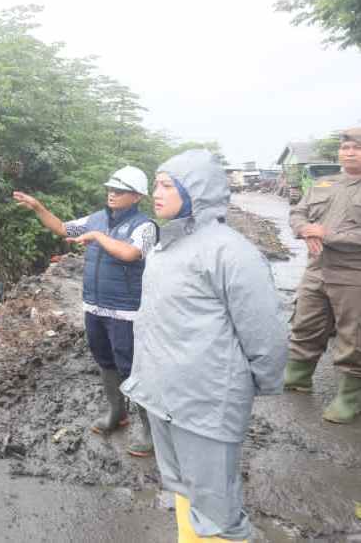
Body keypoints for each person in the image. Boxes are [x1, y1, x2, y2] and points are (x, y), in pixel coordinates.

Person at [122, 149, 287, 542]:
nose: (156, 193)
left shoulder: (230, 251)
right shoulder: (165, 245)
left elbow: (264, 330)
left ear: (195, 190)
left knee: (217, 507)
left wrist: (255, 384)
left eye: (167, 185)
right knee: (180, 484)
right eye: (156, 184)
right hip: (161, 393)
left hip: (206, 400)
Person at [13, 166, 157, 457]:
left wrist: (97, 237)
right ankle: (117, 412)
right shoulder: (96, 219)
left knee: (132, 366)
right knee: (104, 360)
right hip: (94, 306)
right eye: (110, 188)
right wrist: (38, 207)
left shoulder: (145, 226)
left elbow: (130, 253)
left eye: (120, 190)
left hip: (126, 311)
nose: (112, 194)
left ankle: (150, 429)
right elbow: (63, 228)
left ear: (137, 196)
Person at [285, 127, 361, 423]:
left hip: (353, 272)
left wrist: (327, 234)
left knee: (353, 335)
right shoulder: (323, 183)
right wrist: (304, 229)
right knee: (305, 323)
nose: (350, 152)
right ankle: (297, 377)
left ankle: (350, 397)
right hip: (316, 268)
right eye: (345, 147)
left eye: (357, 148)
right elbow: (297, 212)